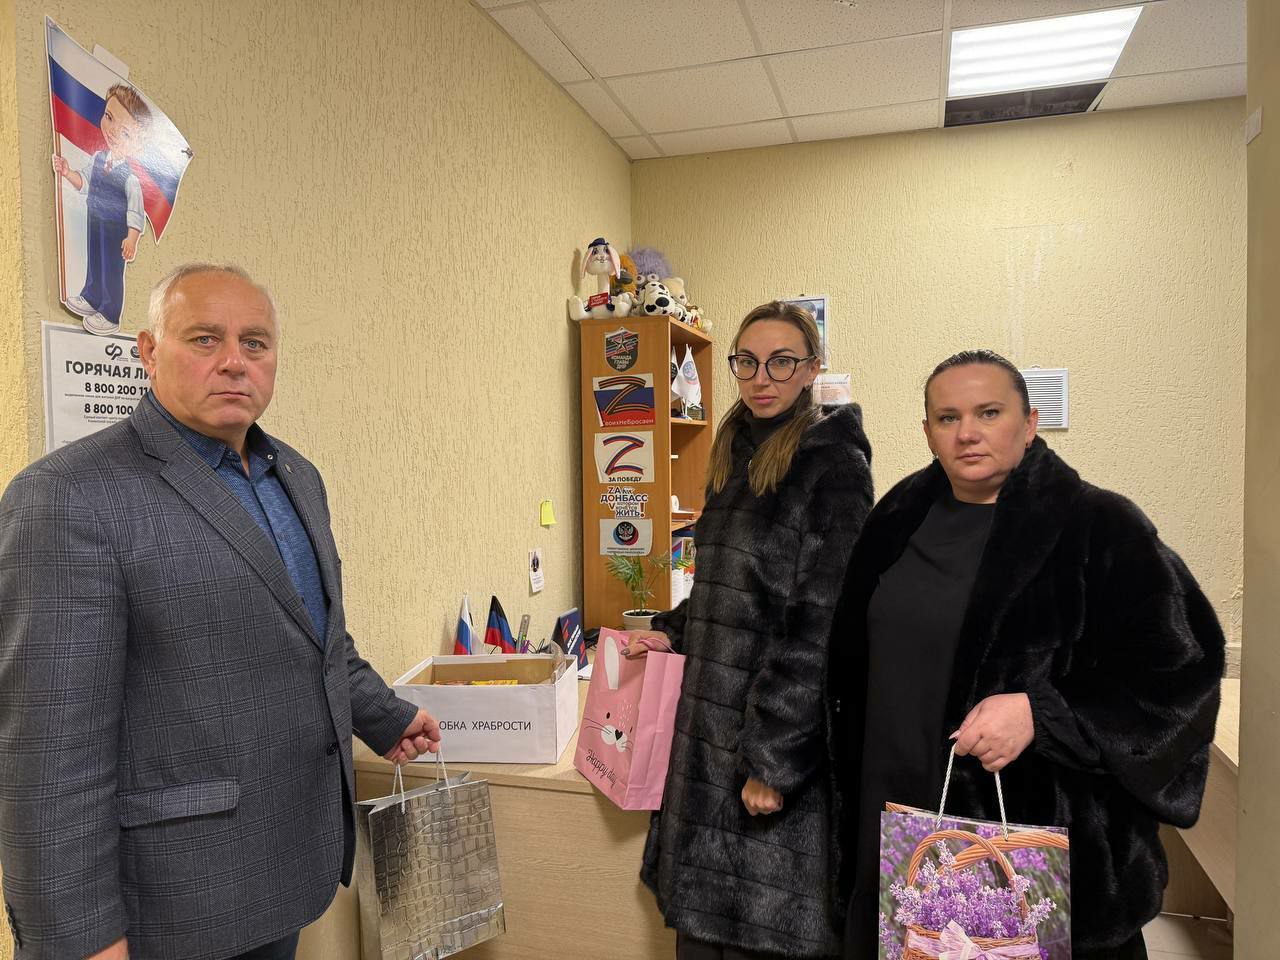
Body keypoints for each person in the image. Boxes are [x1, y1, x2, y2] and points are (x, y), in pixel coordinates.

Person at [0, 264, 440, 960]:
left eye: (254, 343)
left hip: (285, 865)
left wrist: (384, 716)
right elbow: (49, 754)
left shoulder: (295, 476)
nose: (235, 360)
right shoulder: (69, 496)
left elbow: (314, 636)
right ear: (149, 351)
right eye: (205, 339)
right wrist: (79, 940)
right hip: (170, 901)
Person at [830, 350, 1224, 960]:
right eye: (948, 417)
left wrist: (1043, 714)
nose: (967, 432)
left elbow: (1181, 672)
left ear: (1030, 422)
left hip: (1034, 846)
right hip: (896, 825)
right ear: (927, 431)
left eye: (989, 412)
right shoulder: (897, 518)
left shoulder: (1099, 525)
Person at [628, 301, 874, 958]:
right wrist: (673, 631)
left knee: (758, 936)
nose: (762, 378)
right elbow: (728, 587)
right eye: (748, 362)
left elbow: (822, 626)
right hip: (709, 748)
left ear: (812, 369)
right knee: (701, 937)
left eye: (781, 362)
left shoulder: (833, 468)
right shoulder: (736, 451)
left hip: (771, 756)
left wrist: (773, 760)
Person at [52, 83, 150, 335]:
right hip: (94, 218)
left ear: (137, 145)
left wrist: (132, 237)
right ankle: (91, 296)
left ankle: (110, 312)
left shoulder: (130, 178)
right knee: (94, 259)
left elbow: (136, 210)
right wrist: (68, 172)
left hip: (115, 229)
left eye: (125, 133)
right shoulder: (97, 159)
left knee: (111, 268)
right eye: (109, 117)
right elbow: (85, 182)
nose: (113, 132)